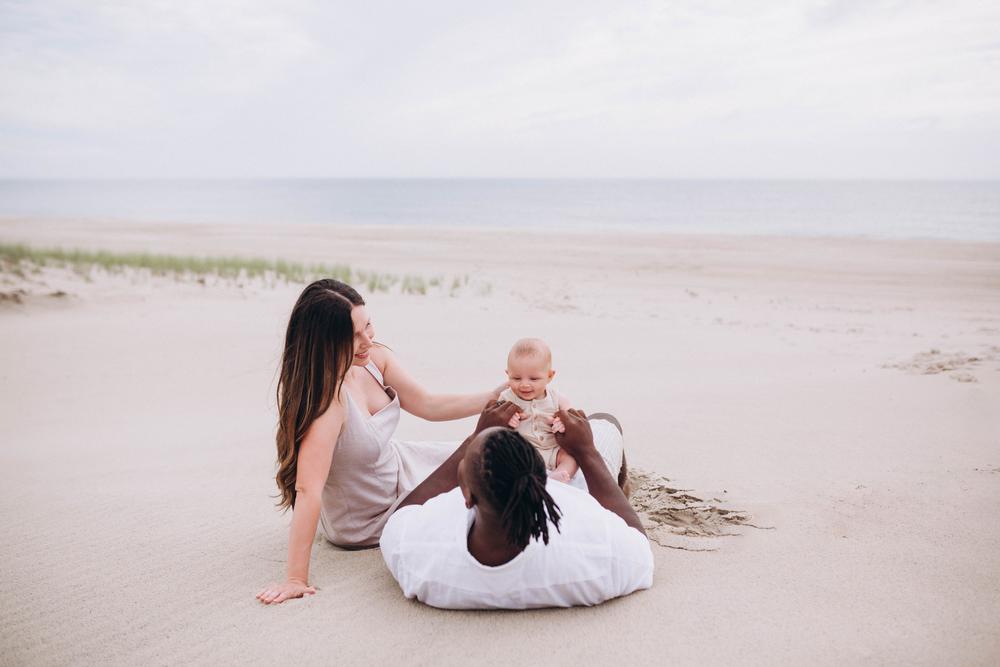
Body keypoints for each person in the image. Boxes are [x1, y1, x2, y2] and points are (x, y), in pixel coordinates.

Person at [256, 279, 503, 605]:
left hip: (400, 467)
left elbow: (428, 405)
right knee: (487, 466)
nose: (367, 340)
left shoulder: (373, 359)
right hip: (368, 518)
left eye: (367, 325)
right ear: (325, 341)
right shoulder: (327, 404)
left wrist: (492, 399)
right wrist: (295, 579)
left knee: (499, 451)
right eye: (354, 335)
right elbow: (308, 488)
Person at [379, 401, 654, 609]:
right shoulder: (599, 553)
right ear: (540, 481)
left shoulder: (419, 557)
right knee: (604, 421)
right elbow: (639, 546)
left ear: (468, 496)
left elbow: (401, 516)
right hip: (576, 490)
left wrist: (473, 440)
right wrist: (586, 452)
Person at [499, 337, 578, 484]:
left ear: (549, 376)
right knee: (504, 457)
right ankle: (527, 477)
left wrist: (563, 422)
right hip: (522, 451)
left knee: (571, 458)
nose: (524, 385)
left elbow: (573, 421)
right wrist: (506, 421)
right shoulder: (506, 398)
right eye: (516, 378)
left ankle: (559, 476)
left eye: (533, 379)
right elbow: (494, 423)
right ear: (507, 374)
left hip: (552, 450)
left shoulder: (558, 398)